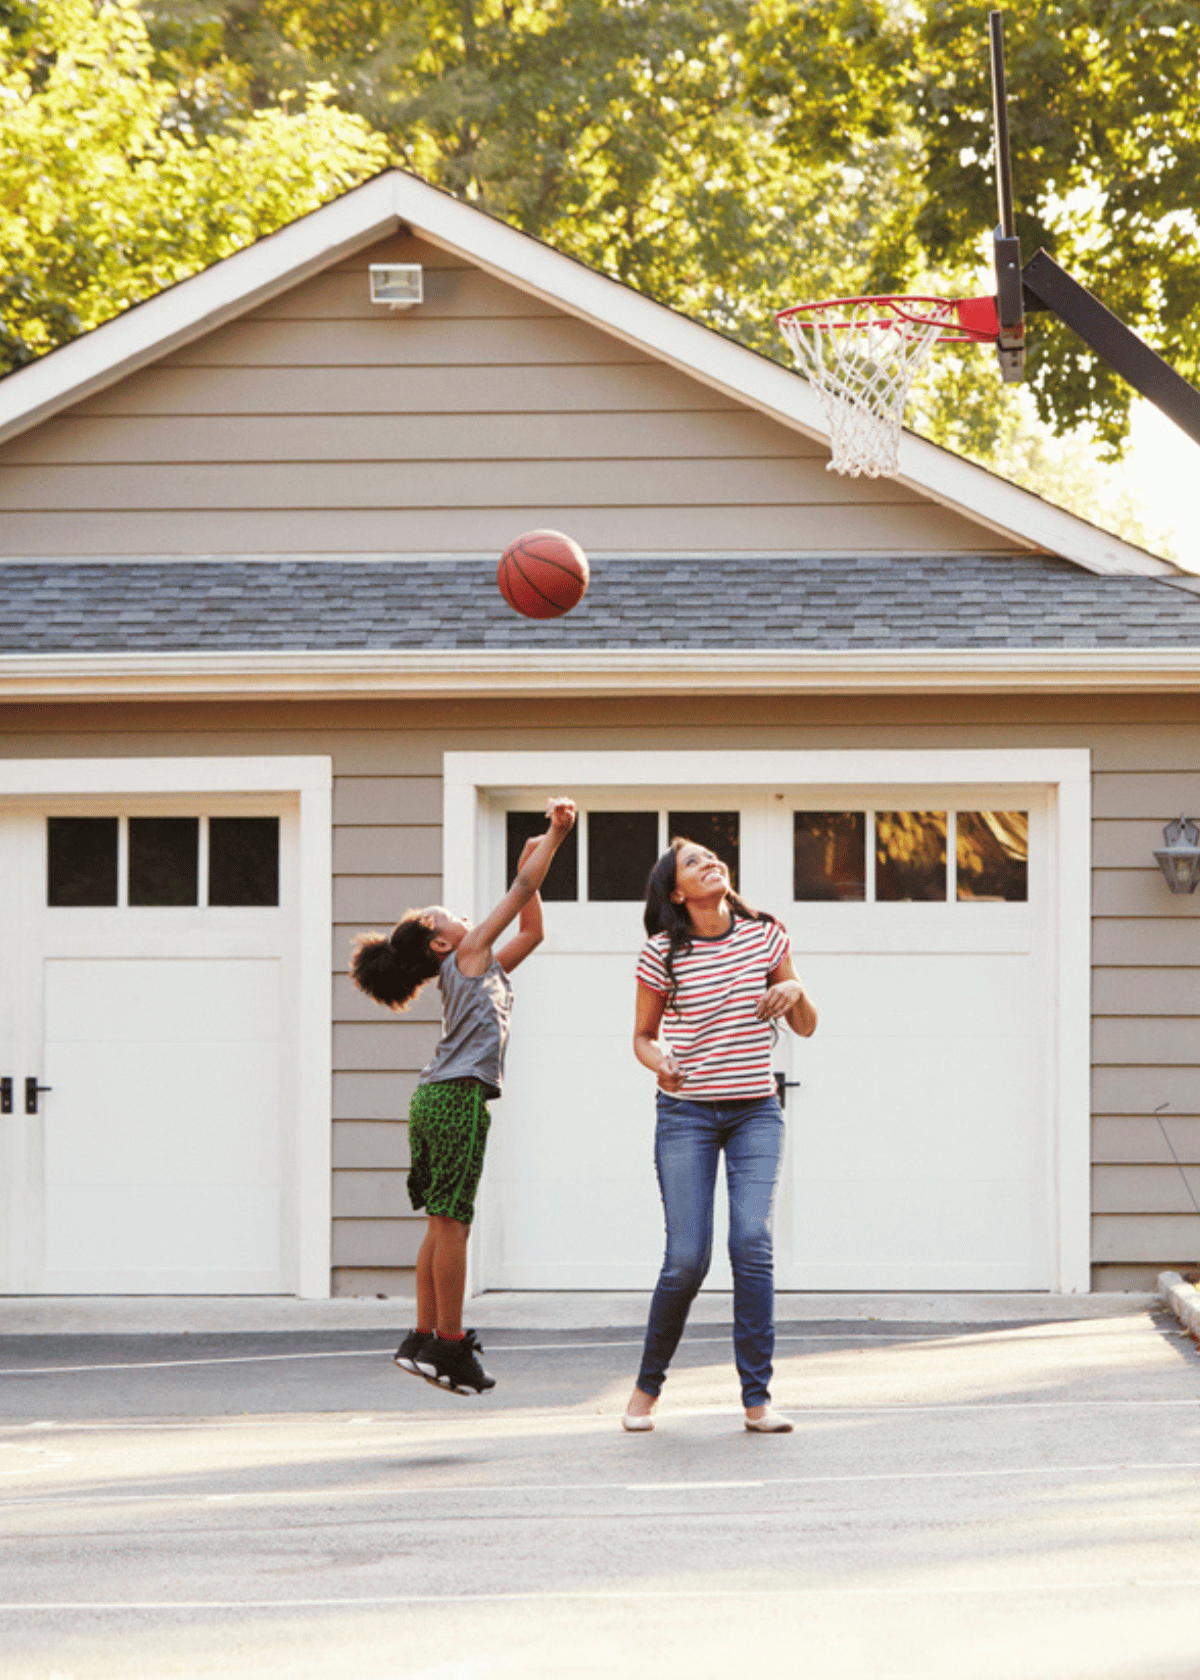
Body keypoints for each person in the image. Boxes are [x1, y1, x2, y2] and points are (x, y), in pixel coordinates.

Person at [350, 797, 577, 1396]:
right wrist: (553, 838)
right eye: (444, 916)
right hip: (454, 1100)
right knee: (454, 1225)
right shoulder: (471, 954)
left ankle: (423, 1337)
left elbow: (534, 927)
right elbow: (522, 888)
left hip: (433, 1097)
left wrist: (533, 857)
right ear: (443, 944)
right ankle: (449, 1346)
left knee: (438, 1222)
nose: (456, 916)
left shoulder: (482, 967)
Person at [624, 836, 817, 1434]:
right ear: (677, 892)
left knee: (751, 1242)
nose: (710, 863)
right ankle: (646, 1387)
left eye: (713, 857)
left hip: (756, 1110)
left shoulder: (765, 935)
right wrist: (659, 1061)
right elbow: (642, 1037)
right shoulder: (661, 953)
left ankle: (757, 1399)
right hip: (686, 1115)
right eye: (694, 862)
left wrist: (796, 991)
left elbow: (804, 1027)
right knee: (687, 1257)